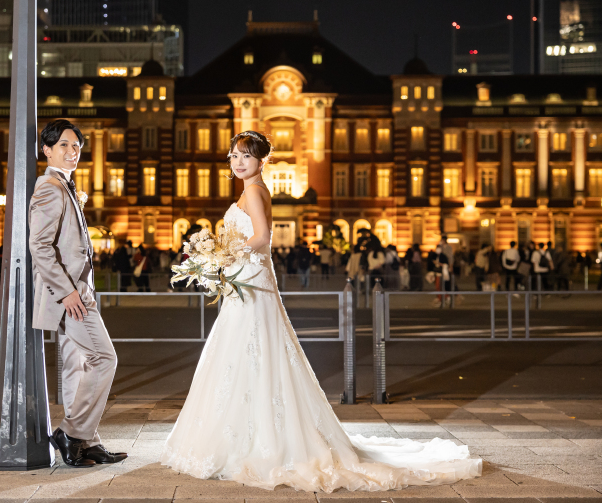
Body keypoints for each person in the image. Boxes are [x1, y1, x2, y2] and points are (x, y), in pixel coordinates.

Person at [161, 130, 481, 492]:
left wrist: (223, 256)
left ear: (262, 161)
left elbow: (263, 237)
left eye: (245, 157)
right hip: (249, 280)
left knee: (246, 351)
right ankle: (258, 432)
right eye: (234, 156)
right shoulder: (252, 190)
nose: (238, 163)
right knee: (254, 352)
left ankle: (246, 438)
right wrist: (223, 257)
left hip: (248, 278)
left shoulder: (253, 191)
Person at [29, 119, 126, 468]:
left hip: (79, 292)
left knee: (76, 367)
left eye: (76, 146)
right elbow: (39, 247)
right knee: (105, 358)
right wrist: (67, 292)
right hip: (69, 298)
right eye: (65, 146)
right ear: (47, 150)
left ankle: (86, 442)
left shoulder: (65, 186)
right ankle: (71, 433)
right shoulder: (49, 188)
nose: (73, 152)